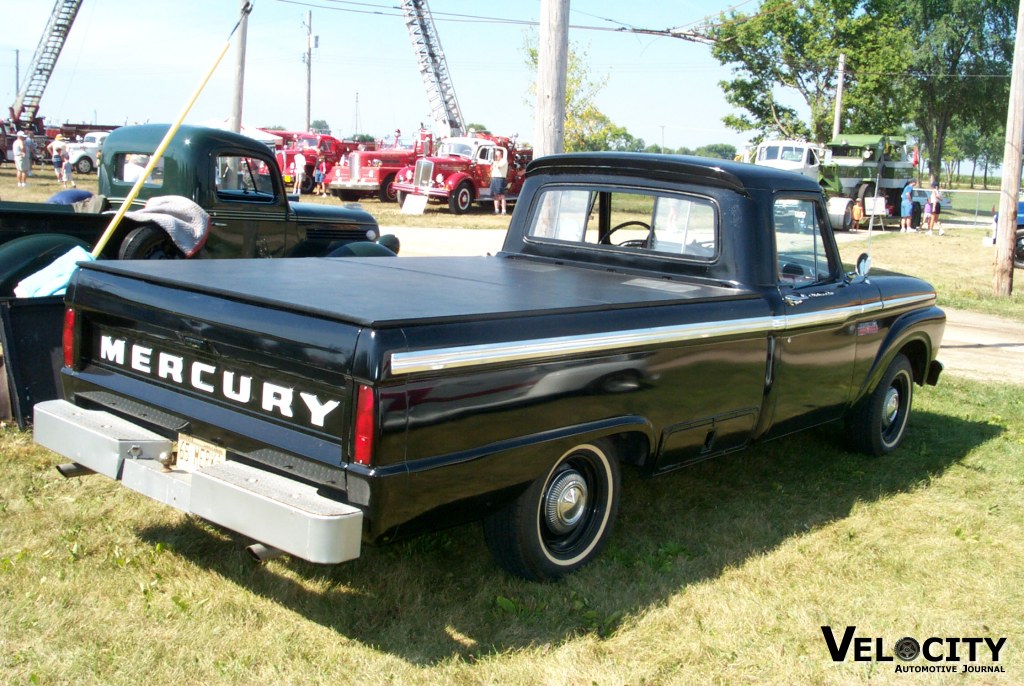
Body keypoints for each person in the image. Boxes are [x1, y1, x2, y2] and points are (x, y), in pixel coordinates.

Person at [490, 147, 509, 215]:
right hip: (494, 178)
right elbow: (491, 168)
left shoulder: (504, 161)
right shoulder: (495, 161)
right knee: (495, 195)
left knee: (501, 195)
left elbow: (499, 166)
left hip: (500, 179)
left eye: (497, 155)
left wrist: (495, 162)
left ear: (500, 155)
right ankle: (496, 210)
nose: (496, 157)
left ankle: (504, 211)